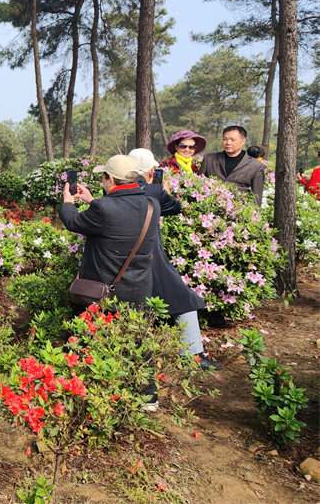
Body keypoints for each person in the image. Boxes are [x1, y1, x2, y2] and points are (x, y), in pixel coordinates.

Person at [128, 148, 221, 371]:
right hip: (152, 258)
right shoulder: (154, 190)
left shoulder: (116, 191)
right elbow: (174, 208)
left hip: (120, 262)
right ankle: (192, 356)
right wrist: (164, 191)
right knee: (185, 299)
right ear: (152, 170)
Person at [59, 155, 160, 310]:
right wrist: (92, 200)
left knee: (97, 333)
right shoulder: (152, 205)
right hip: (139, 293)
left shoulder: (103, 208)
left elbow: (73, 222)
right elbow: (121, 217)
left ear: (111, 179)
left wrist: (68, 202)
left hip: (104, 294)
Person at [199, 125, 265, 206]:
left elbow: (257, 198)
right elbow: (199, 185)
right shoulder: (209, 159)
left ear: (243, 141)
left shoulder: (256, 166)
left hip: (238, 212)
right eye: (225, 139)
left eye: (233, 140)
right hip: (210, 210)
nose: (228, 143)